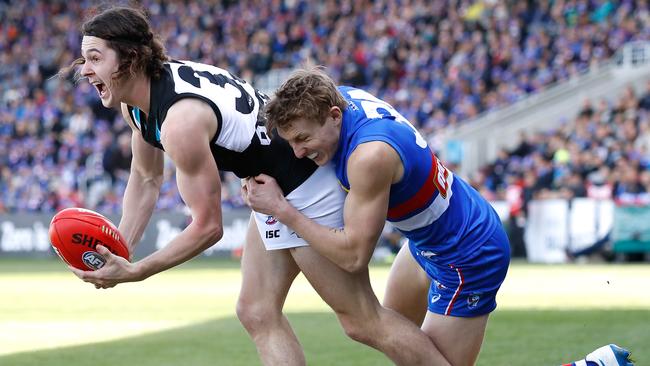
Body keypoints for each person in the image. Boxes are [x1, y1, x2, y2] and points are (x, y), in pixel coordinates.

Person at [61, 6, 447, 366]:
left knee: (362, 321)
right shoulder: (140, 102)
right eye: (85, 59)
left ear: (129, 59)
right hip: (271, 185)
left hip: (303, 186)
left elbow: (208, 227)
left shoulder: (180, 120)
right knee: (256, 310)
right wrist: (118, 251)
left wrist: (138, 271)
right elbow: (145, 178)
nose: (85, 70)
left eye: (96, 58)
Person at [242, 68, 634, 366]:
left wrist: (282, 210)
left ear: (332, 116)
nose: (297, 152)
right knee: (395, 338)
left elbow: (352, 255)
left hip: (467, 254)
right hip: (429, 241)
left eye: (303, 139)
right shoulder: (344, 100)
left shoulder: (369, 156)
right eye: (291, 142)